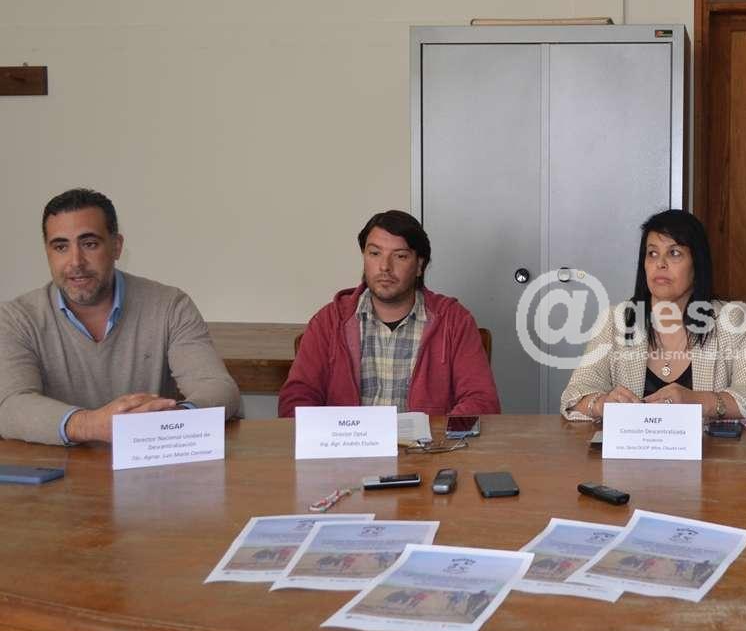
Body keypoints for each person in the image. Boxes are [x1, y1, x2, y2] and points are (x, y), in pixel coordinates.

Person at [0, 188, 241, 445]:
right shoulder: (16, 319)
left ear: (116, 246)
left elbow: (218, 388)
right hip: (56, 467)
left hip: (151, 461)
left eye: (89, 244)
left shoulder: (170, 305)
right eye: (61, 247)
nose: (76, 261)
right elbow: (10, 406)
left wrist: (171, 420)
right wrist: (90, 425)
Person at [560, 209, 746, 422]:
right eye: (652, 253)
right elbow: (572, 397)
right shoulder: (616, 320)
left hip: (706, 445)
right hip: (631, 445)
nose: (660, 264)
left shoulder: (728, 319)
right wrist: (602, 404)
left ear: (697, 263)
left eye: (674, 253)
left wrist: (700, 402)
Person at [279, 210, 499, 416]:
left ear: (419, 265)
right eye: (374, 253)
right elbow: (296, 398)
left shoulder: (454, 321)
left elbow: (481, 401)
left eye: (400, 256)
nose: (384, 266)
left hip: (428, 444)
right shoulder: (330, 321)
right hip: (349, 443)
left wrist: (438, 435)